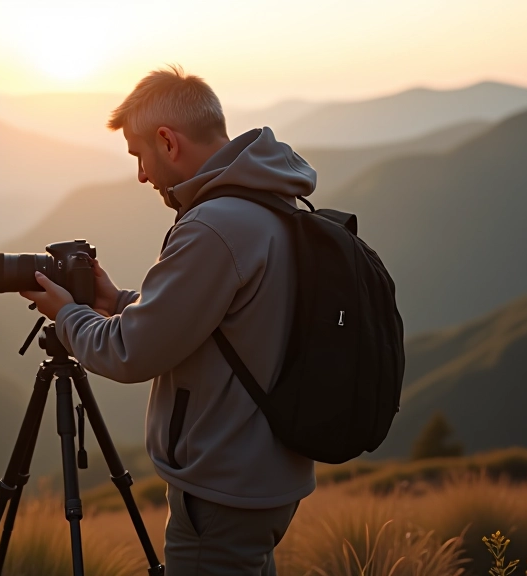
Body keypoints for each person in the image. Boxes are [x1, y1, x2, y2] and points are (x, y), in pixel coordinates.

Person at [20, 65, 316, 575]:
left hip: (223, 485)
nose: (140, 175)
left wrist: (66, 315)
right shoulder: (271, 200)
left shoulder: (213, 226)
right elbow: (225, 325)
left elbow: (130, 353)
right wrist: (117, 301)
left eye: (139, 155)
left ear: (167, 141)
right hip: (264, 472)